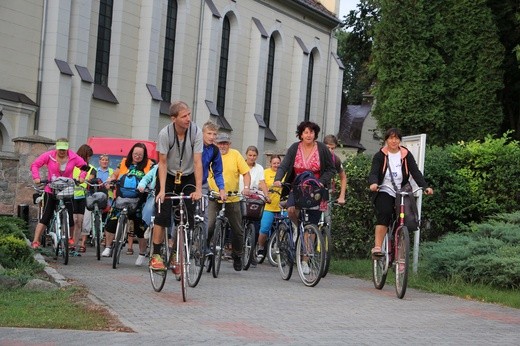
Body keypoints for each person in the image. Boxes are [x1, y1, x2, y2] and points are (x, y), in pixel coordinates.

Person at [273, 121, 336, 274]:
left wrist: (322, 182)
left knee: (312, 226)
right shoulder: (295, 148)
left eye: (311, 132)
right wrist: (278, 178)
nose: (309, 135)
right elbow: (285, 165)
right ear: (301, 134)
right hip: (297, 187)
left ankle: (305, 260)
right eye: (305, 132)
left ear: (315, 134)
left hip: (316, 189)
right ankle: (297, 227)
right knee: (291, 210)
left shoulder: (322, 148)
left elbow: (331, 169)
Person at [149, 101, 203, 272]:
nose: (188, 118)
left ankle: (176, 253)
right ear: (174, 119)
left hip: (187, 176)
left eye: (189, 114)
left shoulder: (196, 132)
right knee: (162, 215)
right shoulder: (165, 134)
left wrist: (198, 189)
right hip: (169, 176)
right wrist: (163, 190)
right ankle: (156, 255)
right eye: (184, 116)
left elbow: (197, 161)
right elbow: (162, 163)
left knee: (186, 218)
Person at [368, 128, 433, 256]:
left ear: (400, 140)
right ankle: (377, 247)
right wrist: (374, 183)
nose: (394, 141)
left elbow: (415, 172)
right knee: (385, 212)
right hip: (384, 190)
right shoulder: (380, 155)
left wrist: (425, 187)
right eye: (391, 138)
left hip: (401, 191)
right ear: (386, 140)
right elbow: (374, 172)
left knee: (406, 218)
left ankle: (401, 254)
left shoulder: (405, 154)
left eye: (396, 138)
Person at [30, 138, 88, 249]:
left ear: (67, 149)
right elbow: (35, 165)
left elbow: (85, 167)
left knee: (71, 216)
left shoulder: (74, 157)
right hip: (51, 189)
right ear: (57, 148)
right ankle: (36, 240)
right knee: (46, 216)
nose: (62, 152)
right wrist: (36, 178)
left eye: (64, 149)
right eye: (60, 149)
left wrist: (81, 177)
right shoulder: (49, 155)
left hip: (67, 190)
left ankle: (70, 238)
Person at [102, 143, 154, 266]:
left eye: (140, 155)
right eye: (135, 154)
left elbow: (152, 179)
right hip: (121, 197)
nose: (137, 156)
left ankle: (141, 253)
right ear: (131, 153)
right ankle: (109, 247)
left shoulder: (149, 164)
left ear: (144, 155)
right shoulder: (124, 162)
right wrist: (109, 181)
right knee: (112, 221)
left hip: (139, 200)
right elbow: (114, 175)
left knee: (139, 227)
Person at [207, 132, 251, 271]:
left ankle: (237, 254)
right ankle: (204, 250)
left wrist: (246, 188)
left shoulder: (235, 155)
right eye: (220, 143)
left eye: (225, 143)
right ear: (215, 143)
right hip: (214, 196)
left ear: (229, 144)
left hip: (232, 198)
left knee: (237, 230)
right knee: (209, 225)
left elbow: (246, 173)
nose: (222, 146)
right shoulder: (211, 153)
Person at [201, 121, 227, 255]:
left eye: (214, 134)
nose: (212, 137)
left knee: (205, 217)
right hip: (188, 182)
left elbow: (217, 172)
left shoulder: (215, 150)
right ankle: (174, 245)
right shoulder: (195, 145)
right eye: (209, 133)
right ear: (203, 133)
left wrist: (222, 189)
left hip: (203, 185)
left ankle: (203, 245)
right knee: (184, 215)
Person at [256, 155, 282, 261]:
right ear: (270, 163)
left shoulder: (283, 173)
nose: (276, 165)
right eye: (274, 163)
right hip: (269, 205)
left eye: (278, 163)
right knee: (264, 228)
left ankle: (280, 249)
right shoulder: (265, 172)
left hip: (281, 206)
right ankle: (261, 248)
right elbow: (259, 185)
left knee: (283, 229)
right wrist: (268, 188)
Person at [73, 144, 97, 253]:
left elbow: (90, 180)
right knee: (73, 220)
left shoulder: (91, 168)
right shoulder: (72, 165)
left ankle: (74, 245)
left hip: (83, 196)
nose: (89, 159)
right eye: (89, 156)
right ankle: (69, 241)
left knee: (80, 221)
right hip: (71, 195)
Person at [323, 134, 347, 205]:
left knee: (326, 213)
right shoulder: (316, 156)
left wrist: (342, 196)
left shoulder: (336, 160)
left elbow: (343, 178)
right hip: (312, 188)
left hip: (326, 191)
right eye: (328, 148)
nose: (330, 150)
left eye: (332, 148)